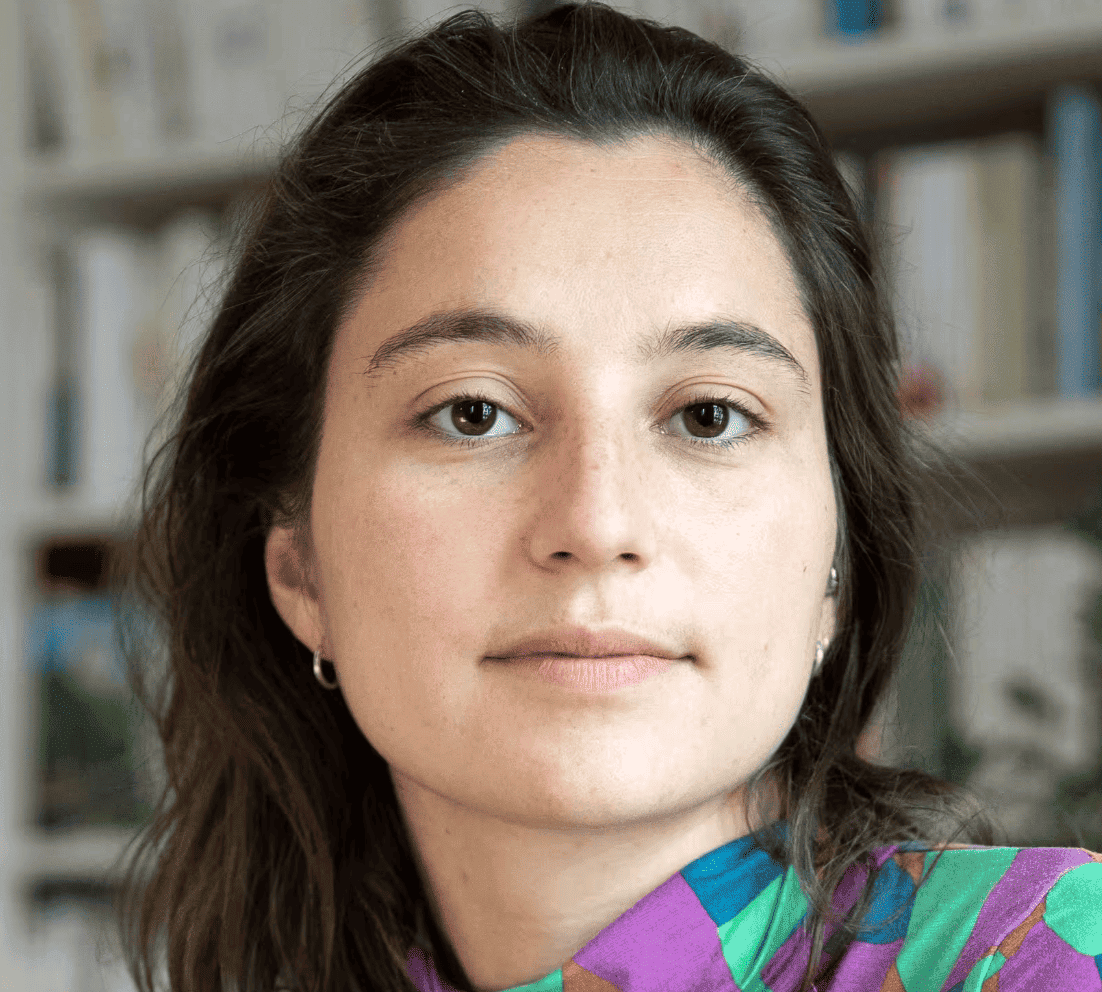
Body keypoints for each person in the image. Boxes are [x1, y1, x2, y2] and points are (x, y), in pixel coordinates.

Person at [110, 3, 1102, 991]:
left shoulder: (1047, 957)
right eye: (471, 414)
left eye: (710, 415)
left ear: (835, 570)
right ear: (300, 570)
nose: (596, 523)